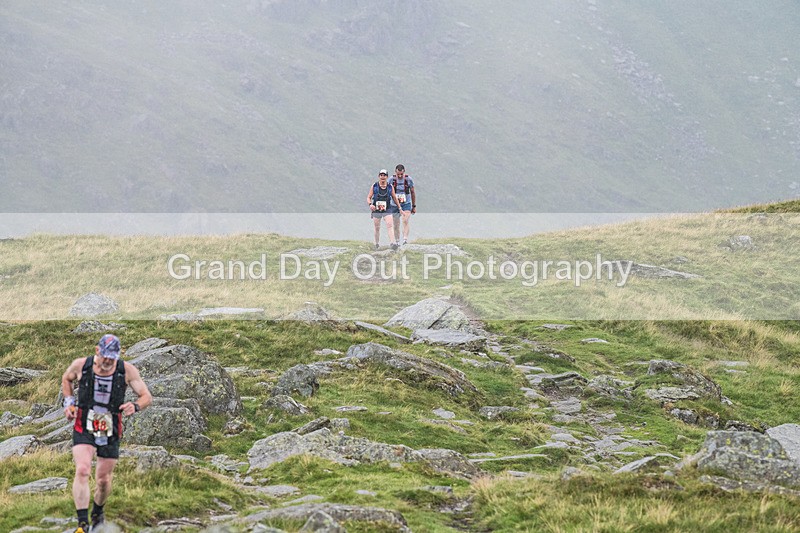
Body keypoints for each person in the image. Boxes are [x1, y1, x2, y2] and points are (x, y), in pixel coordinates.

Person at [62, 334, 152, 533]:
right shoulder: (81, 365)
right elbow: (66, 379)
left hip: (111, 427)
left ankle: (98, 512)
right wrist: (68, 404)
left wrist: (135, 406)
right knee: (83, 469)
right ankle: (82, 524)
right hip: (83, 425)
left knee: (103, 480)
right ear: (97, 351)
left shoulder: (126, 370)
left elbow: (146, 396)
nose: (108, 361)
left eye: (112, 357)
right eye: (105, 356)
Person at [367, 169, 406, 250]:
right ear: (379, 176)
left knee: (389, 225)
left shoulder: (390, 187)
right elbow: (368, 197)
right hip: (376, 210)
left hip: (387, 209)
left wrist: (400, 208)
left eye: (384, 175)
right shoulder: (374, 186)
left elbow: (395, 198)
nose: (382, 177)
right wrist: (370, 204)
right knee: (377, 227)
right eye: (381, 175)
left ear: (387, 177)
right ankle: (377, 243)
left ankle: (392, 243)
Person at [390, 164, 416, 245]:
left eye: (401, 174)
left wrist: (414, 206)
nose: (400, 176)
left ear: (404, 171)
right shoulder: (392, 180)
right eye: (398, 174)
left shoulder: (408, 179)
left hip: (406, 203)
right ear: (395, 172)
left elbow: (412, 192)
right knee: (396, 224)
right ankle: (397, 241)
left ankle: (405, 240)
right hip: (394, 204)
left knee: (405, 220)